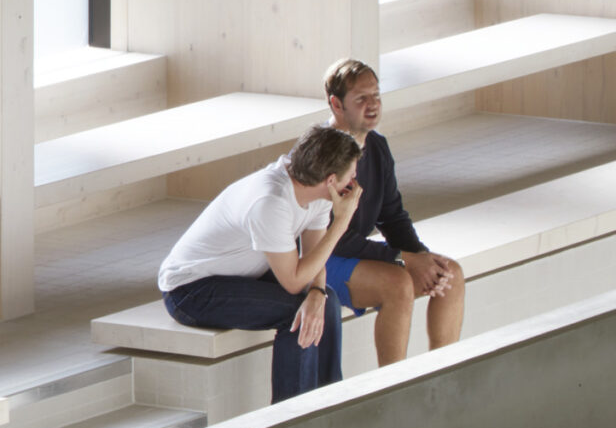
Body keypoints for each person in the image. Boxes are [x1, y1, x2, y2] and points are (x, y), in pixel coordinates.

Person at [156, 128, 364, 402]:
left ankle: (328, 403)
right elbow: (293, 281)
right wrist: (341, 223)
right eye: (351, 174)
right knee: (295, 314)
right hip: (190, 290)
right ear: (331, 180)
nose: (355, 181)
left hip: (239, 274)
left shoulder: (319, 195)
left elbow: (314, 258)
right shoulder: (271, 201)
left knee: (328, 300)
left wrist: (317, 293)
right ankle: (290, 419)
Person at [319, 59, 468, 365]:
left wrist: (423, 257)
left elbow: (392, 215)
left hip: (353, 250)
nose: (372, 105)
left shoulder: (377, 147)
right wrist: (405, 259)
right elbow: (334, 239)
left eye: (376, 96)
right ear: (336, 104)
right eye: (361, 99)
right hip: (319, 258)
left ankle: (441, 379)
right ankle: (392, 388)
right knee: (396, 285)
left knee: (449, 273)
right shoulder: (321, 154)